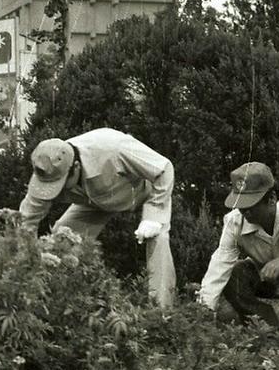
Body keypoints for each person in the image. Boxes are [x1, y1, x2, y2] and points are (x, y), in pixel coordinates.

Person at [19, 128, 176, 308]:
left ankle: (162, 313)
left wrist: (154, 215)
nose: (58, 191)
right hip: (96, 200)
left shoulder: (113, 148)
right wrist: (25, 262)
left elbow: (164, 169)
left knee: (158, 239)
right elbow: (26, 221)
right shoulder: (46, 171)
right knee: (60, 241)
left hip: (142, 192)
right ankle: (59, 304)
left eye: (60, 184)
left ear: (75, 167)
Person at [198, 162, 279, 326]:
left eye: (250, 205)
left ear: (271, 199)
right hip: (268, 280)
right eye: (240, 206)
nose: (244, 212)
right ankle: (265, 326)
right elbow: (220, 264)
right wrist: (204, 310)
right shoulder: (234, 221)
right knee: (235, 274)